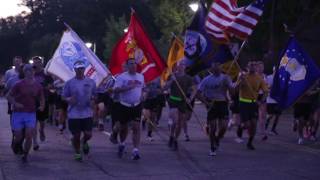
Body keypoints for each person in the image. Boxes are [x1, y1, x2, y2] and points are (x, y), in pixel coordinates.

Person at [6, 64, 45, 162]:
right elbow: (8, 96)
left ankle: (25, 154)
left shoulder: (38, 85)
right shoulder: (18, 84)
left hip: (30, 113)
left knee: (29, 135)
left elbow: (42, 98)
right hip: (18, 113)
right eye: (28, 70)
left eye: (32, 71)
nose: (31, 72)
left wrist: (42, 105)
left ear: (34, 72)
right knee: (18, 136)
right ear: (25, 72)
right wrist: (15, 103)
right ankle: (15, 144)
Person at [196, 62, 233, 156]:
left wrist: (228, 85)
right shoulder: (206, 80)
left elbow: (233, 92)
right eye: (215, 66)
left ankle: (217, 139)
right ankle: (212, 147)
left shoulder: (225, 78)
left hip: (223, 103)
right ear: (212, 69)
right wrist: (206, 103)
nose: (217, 68)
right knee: (213, 127)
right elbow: (198, 93)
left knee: (224, 126)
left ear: (221, 67)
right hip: (212, 104)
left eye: (218, 66)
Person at [62, 60, 96, 161]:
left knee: (88, 134)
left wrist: (93, 100)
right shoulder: (69, 83)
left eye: (82, 68)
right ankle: (77, 152)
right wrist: (69, 99)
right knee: (76, 135)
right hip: (74, 112)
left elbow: (95, 95)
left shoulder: (91, 82)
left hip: (87, 112)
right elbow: (63, 96)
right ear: (75, 70)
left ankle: (84, 142)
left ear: (84, 69)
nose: (80, 70)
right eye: (78, 69)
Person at [112, 58, 144, 160]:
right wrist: (128, 87)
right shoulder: (122, 77)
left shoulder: (141, 76)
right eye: (131, 64)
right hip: (124, 105)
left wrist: (144, 95)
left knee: (136, 127)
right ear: (127, 66)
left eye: (135, 63)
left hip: (136, 105)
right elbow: (116, 90)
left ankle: (135, 151)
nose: (133, 65)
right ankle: (122, 143)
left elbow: (143, 88)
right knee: (123, 128)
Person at [236, 62, 268, 150]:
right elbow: (236, 89)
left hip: (254, 104)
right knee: (247, 125)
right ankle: (241, 127)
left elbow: (265, 91)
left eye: (254, 66)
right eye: (251, 66)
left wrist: (261, 101)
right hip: (243, 103)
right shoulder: (243, 76)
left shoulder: (259, 78)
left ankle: (250, 142)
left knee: (253, 124)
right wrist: (240, 80)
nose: (253, 68)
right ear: (247, 67)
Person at [166, 60, 194, 151]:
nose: (181, 66)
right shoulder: (172, 76)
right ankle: (171, 135)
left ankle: (175, 139)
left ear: (185, 66)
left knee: (180, 123)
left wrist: (190, 98)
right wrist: (171, 81)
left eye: (183, 64)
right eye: (180, 64)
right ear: (177, 66)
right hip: (173, 100)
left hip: (182, 102)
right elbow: (165, 87)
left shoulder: (188, 78)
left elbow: (195, 89)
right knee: (175, 121)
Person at [32, 56, 53, 150]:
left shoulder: (45, 73)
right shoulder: (30, 73)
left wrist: (45, 87)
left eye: (38, 62)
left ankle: (41, 130)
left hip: (43, 100)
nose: (36, 64)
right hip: (32, 101)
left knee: (42, 121)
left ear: (41, 63)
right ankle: (35, 142)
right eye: (34, 62)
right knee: (33, 122)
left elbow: (50, 84)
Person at [265, 68, 282, 135]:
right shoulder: (269, 77)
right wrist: (271, 87)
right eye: (275, 70)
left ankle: (273, 129)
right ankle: (265, 127)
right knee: (270, 115)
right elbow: (265, 87)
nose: (276, 72)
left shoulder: (281, 78)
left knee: (277, 116)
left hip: (278, 100)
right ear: (273, 70)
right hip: (270, 100)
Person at [256, 61, 268, 141]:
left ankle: (262, 132)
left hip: (263, 96)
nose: (261, 68)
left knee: (262, 116)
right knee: (253, 116)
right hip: (254, 96)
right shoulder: (254, 76)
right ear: (257, 68)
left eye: (262, 67)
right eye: (259, 67)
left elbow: (266, 86)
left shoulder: (264, 76)